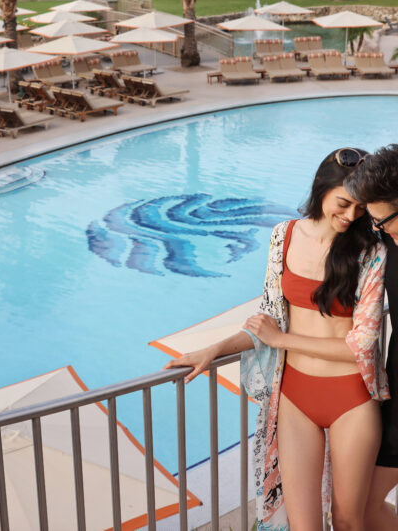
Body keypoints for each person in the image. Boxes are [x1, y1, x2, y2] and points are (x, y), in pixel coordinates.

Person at [164, 149, 389, 531]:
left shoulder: (371, 251)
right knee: (303, 526)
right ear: (321, 187)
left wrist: (282, 340)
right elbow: (269, 315)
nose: (352, 215)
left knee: (349, 521)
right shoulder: (283, 236)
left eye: (360, 208)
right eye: (343, 203)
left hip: (351, 398)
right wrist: (214, 350)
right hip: (296, 398)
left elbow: (361, 347)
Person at [345, 145, 398, 531]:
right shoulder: (388, 244)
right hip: (396, 395)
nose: (382, 230)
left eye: (386, 221)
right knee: (362, 509)